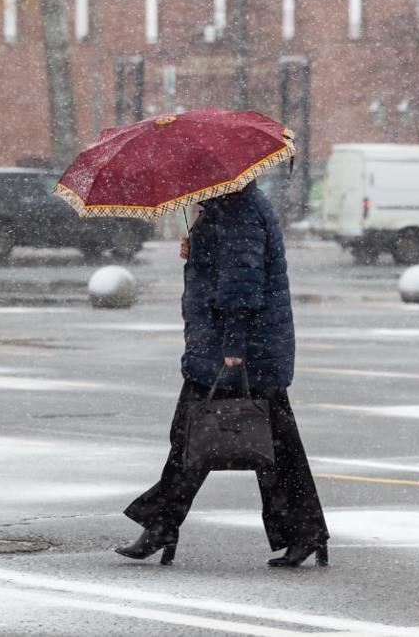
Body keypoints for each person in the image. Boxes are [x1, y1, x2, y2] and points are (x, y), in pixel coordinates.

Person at [116, 180, 329, 567]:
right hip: (234, 348)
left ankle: (162, 525)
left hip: (236, 352)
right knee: (253, 447)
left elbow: (242, 281)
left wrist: (234, 344)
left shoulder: (239, 210)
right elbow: (229, 266)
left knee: (198, 440)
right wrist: (197, 250)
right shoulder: (228, 206)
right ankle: (304, 533)